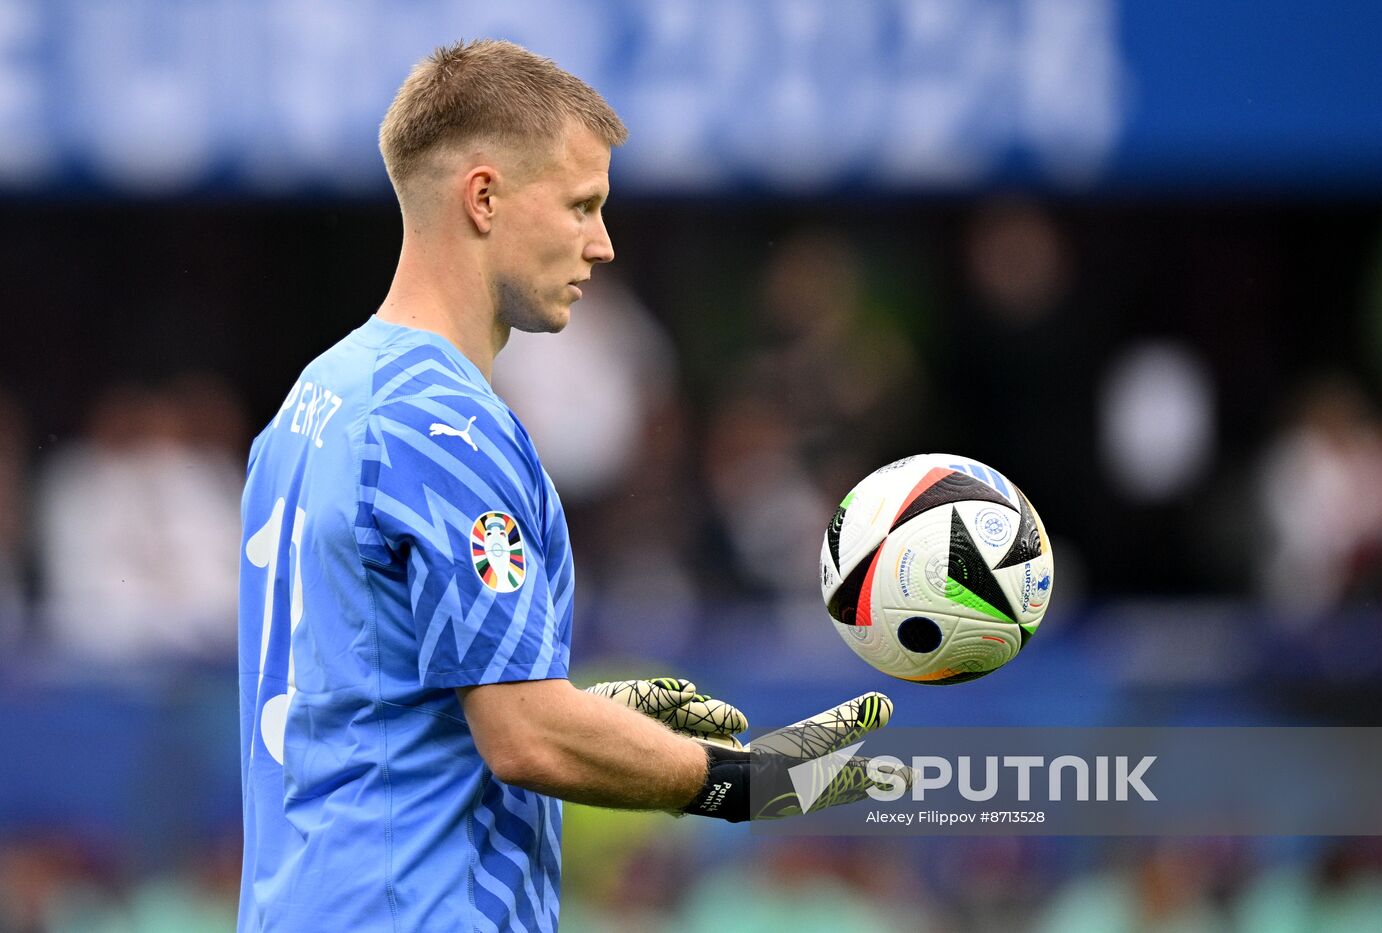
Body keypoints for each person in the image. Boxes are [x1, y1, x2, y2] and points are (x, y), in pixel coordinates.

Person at [238, 40, 898, 932]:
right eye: (582, 205)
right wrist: (748, 783)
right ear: (484, 198)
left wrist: (598, 715)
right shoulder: (446, 429)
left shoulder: (316, 398)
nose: (603, 242)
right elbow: (523, 737)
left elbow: (375, 689)